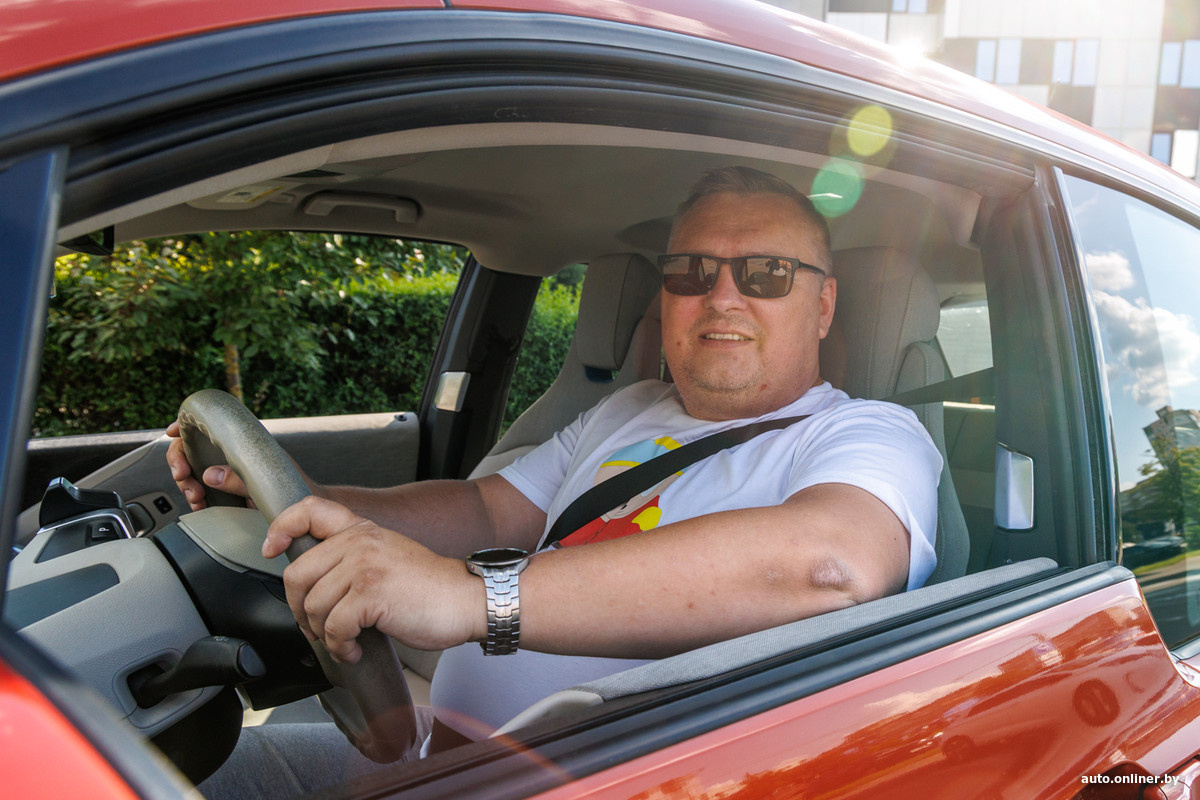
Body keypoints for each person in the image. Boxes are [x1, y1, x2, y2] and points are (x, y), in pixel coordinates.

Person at [168, 166, 940, 791]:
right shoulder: (629, 409)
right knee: (160, 771)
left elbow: (830, 564)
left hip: (608, 781)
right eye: (691, 271)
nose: (723, 296)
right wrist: (305, 501)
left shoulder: (865, 432)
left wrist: (471, 598)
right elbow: (485, 509)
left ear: (823, 306)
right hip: (441, 751)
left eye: (766, 273)